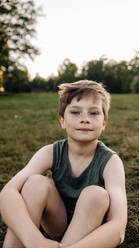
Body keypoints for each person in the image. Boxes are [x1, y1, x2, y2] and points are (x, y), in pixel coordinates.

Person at [0, 80, 127, 248]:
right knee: (34, 183)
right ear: (62, 121)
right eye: (75, 112)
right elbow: (8, 192)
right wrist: (34, 241)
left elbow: (118, 226)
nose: (85, 119)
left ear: (104, 123)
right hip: (56, 223)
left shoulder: (111, 162)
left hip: (89, 232)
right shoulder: (51, 152)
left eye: (94, 113)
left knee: (96, 195)